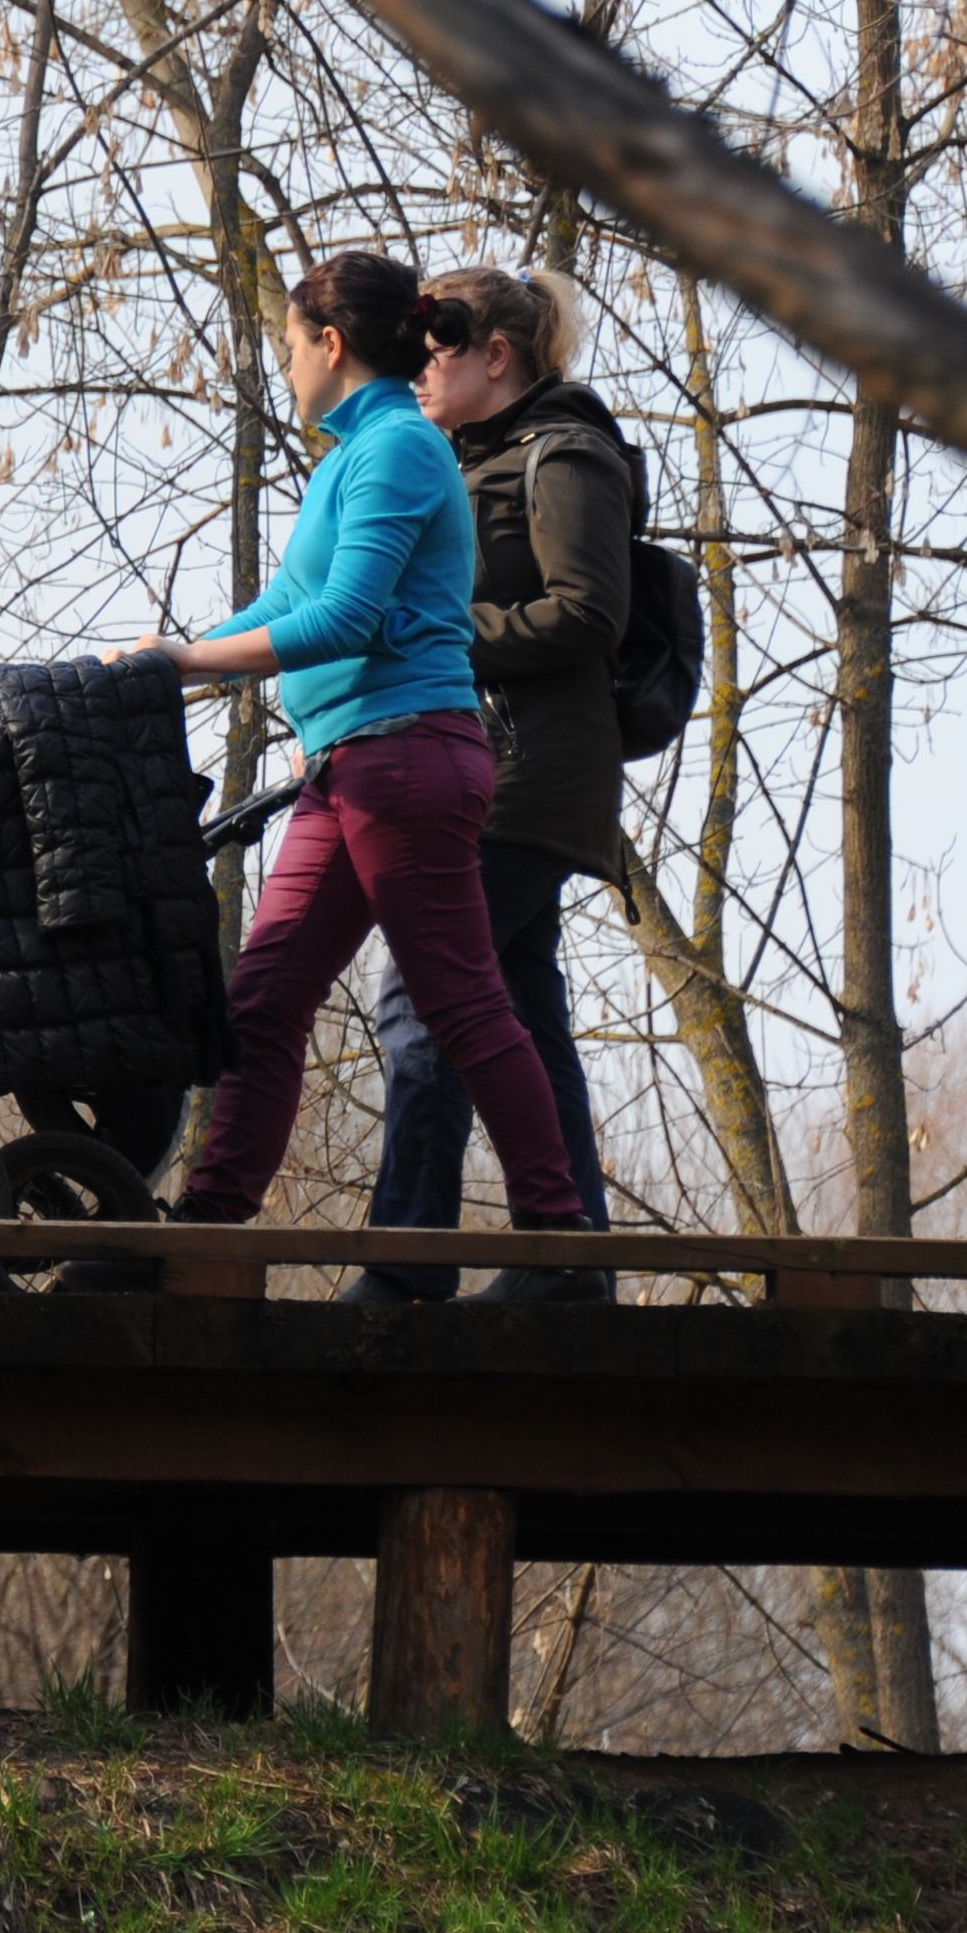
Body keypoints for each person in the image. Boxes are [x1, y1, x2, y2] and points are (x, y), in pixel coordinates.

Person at [112, 250, 597, 1265]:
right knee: (265, 996)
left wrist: (186, 660)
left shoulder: (400, 452)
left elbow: (343, 618)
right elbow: (286, 607)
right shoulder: (350, 459)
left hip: (406, 759)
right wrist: (167, 661)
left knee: (461, 1004)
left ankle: (556, 1240)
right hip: (350, 768)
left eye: (288, 348)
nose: (284, 368)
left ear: (329, 345)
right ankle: (207, 1229)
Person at [347, 266, 640, 1305]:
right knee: (520, 1007)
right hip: (493, 767)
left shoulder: (563, 458)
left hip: (531, 773)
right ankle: (570, 1264)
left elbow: (587, 614)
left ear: (495, 357)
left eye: (431, 354)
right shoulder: (469, 460)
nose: (416, 374)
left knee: (423, 993)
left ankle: (406, 1262)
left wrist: (439, 633)